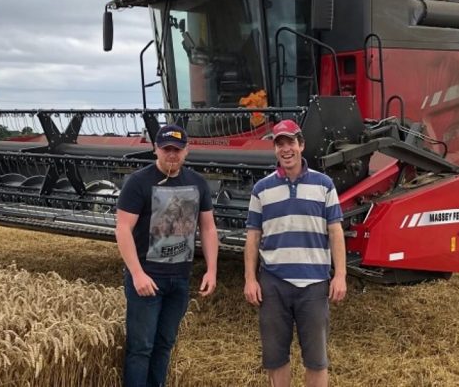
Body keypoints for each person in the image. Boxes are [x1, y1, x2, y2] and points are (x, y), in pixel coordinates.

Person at [244, 119, 347, 387]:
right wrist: (250, 279)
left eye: (290, 142)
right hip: (274, 284)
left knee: (316, 359)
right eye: (280, 143)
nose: (285, 148)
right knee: (275, 357)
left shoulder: (324, 185)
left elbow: (335, 233)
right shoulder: (261, 189)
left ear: (301, 145)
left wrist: (340, 276)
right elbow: (253, 237)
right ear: (275, 150)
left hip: (314, 284)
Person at [115, 124, 219, 387]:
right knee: (141, 348)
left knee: (164, 345)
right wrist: (137, 274)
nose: (172, 154)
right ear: (155, 150)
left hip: (180, 280)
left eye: (177, 149)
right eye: (166, 149)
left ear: (186, 151)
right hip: (147, 280)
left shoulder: (197, 183)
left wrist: (211, 270)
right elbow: (123, 229)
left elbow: (207, 228)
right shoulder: (138, 182)